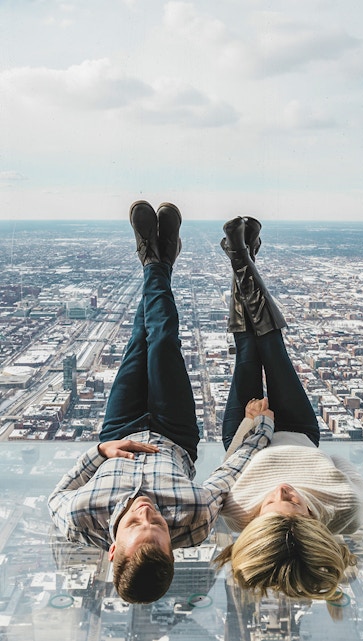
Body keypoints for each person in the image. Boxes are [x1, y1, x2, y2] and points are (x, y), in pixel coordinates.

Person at [48, 201, 274, 605]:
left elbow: (57, 496)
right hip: (174, 432)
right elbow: (229, 471)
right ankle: (155, 260)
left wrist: (101, 451)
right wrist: (262, 428)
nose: (148, 511)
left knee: (140, 339)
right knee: (164, 340)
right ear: (174, 547)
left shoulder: (80, 518)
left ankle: (159, 259)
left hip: (119, 429)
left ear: (113, 548)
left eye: (137, 521)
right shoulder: (196, 520)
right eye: (161, 527)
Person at [215, 216, 363, 601]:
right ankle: (240, 256)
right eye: (296, 504)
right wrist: (304, 456)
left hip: (247, 428)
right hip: (300, 430)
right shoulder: (345, 506)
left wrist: (252, 426)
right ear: (315, 525)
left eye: (271, 503)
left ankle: (243, 256)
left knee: (247, 352)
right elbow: (336, 460)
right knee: (273, 348)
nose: (283, 490)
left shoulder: (235, 513)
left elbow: (231, 463)